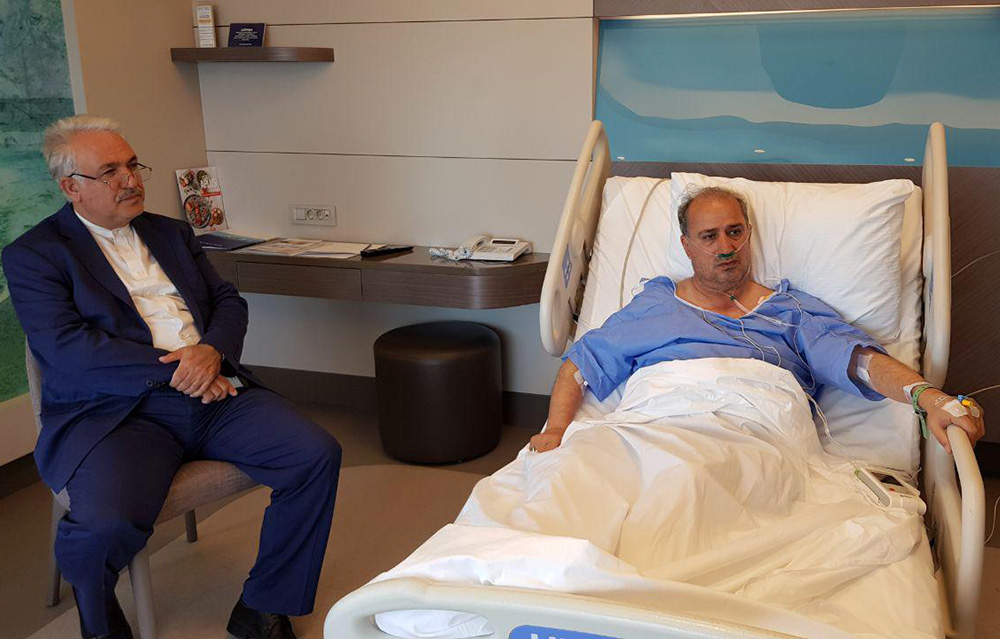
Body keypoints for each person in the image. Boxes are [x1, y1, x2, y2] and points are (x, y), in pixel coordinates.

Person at [2, 115, 341, 639]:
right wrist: (188, 368)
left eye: (133, 165)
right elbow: (67, 349)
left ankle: (263, 606)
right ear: (71, 187)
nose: (130, 180)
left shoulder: (170, 232)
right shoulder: (34, 254)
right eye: (110, 172)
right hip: (117, 411)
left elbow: (227, 300)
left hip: (215, 392)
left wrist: (210, 352)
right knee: (104, 526)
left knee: (314, 455)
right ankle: (101, 624)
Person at [531, 186, 985, 454]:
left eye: (734, 232)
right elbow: (580, 364)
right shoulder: (654, 304)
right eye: (709, 236)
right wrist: (556, 430)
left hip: (753, 438)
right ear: (687, 246)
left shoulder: (791, 311)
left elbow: (860, 362)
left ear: (748, 234)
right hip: (656, 428)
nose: (725, 247)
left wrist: (927, 397)